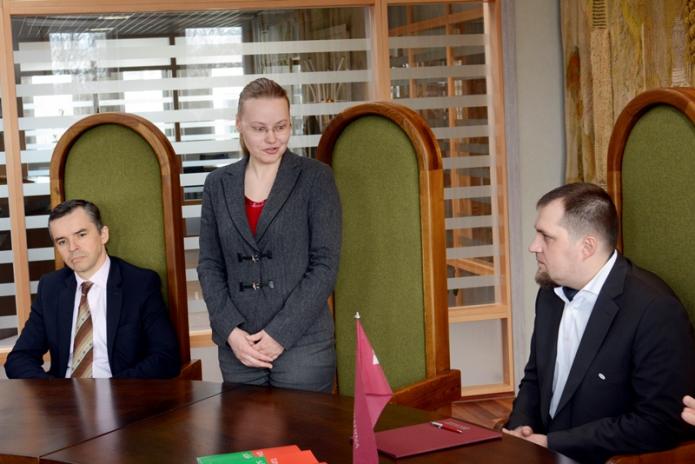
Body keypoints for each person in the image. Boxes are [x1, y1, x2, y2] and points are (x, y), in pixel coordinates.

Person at [504, 182, 695, 463]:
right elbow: (535, 378)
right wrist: (520, 429)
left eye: (546, 237)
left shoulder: (655, 310)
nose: (534, 246)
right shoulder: (549, 293)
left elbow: (660, 422)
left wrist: (553, 443)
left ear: (587, 247)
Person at [197, 77, 341, 392]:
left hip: (303, 345)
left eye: (281, 126)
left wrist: (280, 334)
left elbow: (325, 265)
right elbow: (209, 264)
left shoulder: (316, 178)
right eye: (260, 129)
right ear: (239, 124)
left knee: (302, 424)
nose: (272, 138)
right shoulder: (217, 184)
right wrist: (229, 331)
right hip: (240, 346)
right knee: (246, 425)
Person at [5, 199, 180, 379]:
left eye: (81, 235)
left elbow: (166, 358)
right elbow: (19, 358)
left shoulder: (139, 284)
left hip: (120, 391)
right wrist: (56, 390)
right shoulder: (51, 287)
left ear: (103, 234)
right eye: (62, 241)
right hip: (63, 393)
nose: (72, 248)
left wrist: (112, 390)